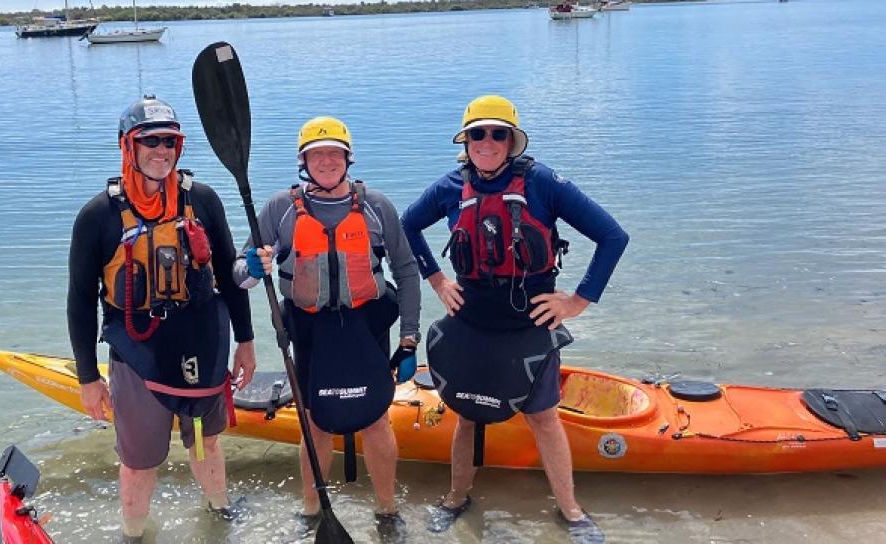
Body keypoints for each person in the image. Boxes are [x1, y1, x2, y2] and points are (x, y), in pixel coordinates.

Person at [400, 95, 628, 543]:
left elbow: (613, 236)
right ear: (465, 142)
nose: (487, 142)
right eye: (477, 134)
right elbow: (407, 226)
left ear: (512, 141)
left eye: (497, 133)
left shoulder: (543, 184)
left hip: (529, 322)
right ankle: (455, 497)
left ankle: (572, 511)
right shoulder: (450, 186)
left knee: (543, 417)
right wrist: (437, 281)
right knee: (466, 415)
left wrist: (577, 302)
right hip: (471, 319)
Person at [67, 95, 257, 543]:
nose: (161, 150)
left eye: (169, 141)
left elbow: (230, 274)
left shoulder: (203, 200)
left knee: (207, 441)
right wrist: (87, 376)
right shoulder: (98, 216)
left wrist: (246, 341)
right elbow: (79, 300)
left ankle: (218, 515)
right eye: (149, 140)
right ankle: (134, 535)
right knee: (139, 461)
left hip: (202, 345)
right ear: (126, 146)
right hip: (139, 353)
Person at [234, 116, 421, 542]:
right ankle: (311, 508)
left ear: (348, 157)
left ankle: (387, 511)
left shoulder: (377, 206)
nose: (326, 161)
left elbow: (406, 272)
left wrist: (409, 338)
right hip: (310, 330)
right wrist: (252, 265)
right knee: (314, 421)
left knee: (376, 419)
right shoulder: (281, 208)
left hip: (365, 325)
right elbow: (238, 276)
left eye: (334, 153)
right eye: (317, 154)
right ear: (303, 160)